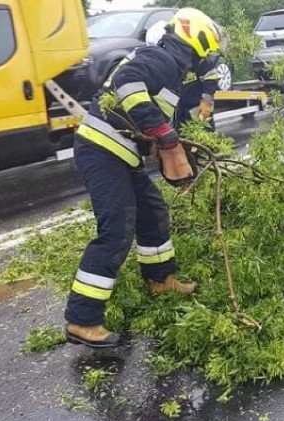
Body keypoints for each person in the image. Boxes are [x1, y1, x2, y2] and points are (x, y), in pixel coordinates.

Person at [64, 8, 223, 348]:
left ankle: (161, 280)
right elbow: (127, 85)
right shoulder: (161, 58)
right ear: (197, 38)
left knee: (152, 211)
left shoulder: (173, 71)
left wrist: (189, 154)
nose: (208, 57)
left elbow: (174, 125)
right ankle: (82, 319)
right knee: (116, 230)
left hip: (120, 155)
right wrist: (163, 133)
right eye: (208, 49)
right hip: (101, 149)